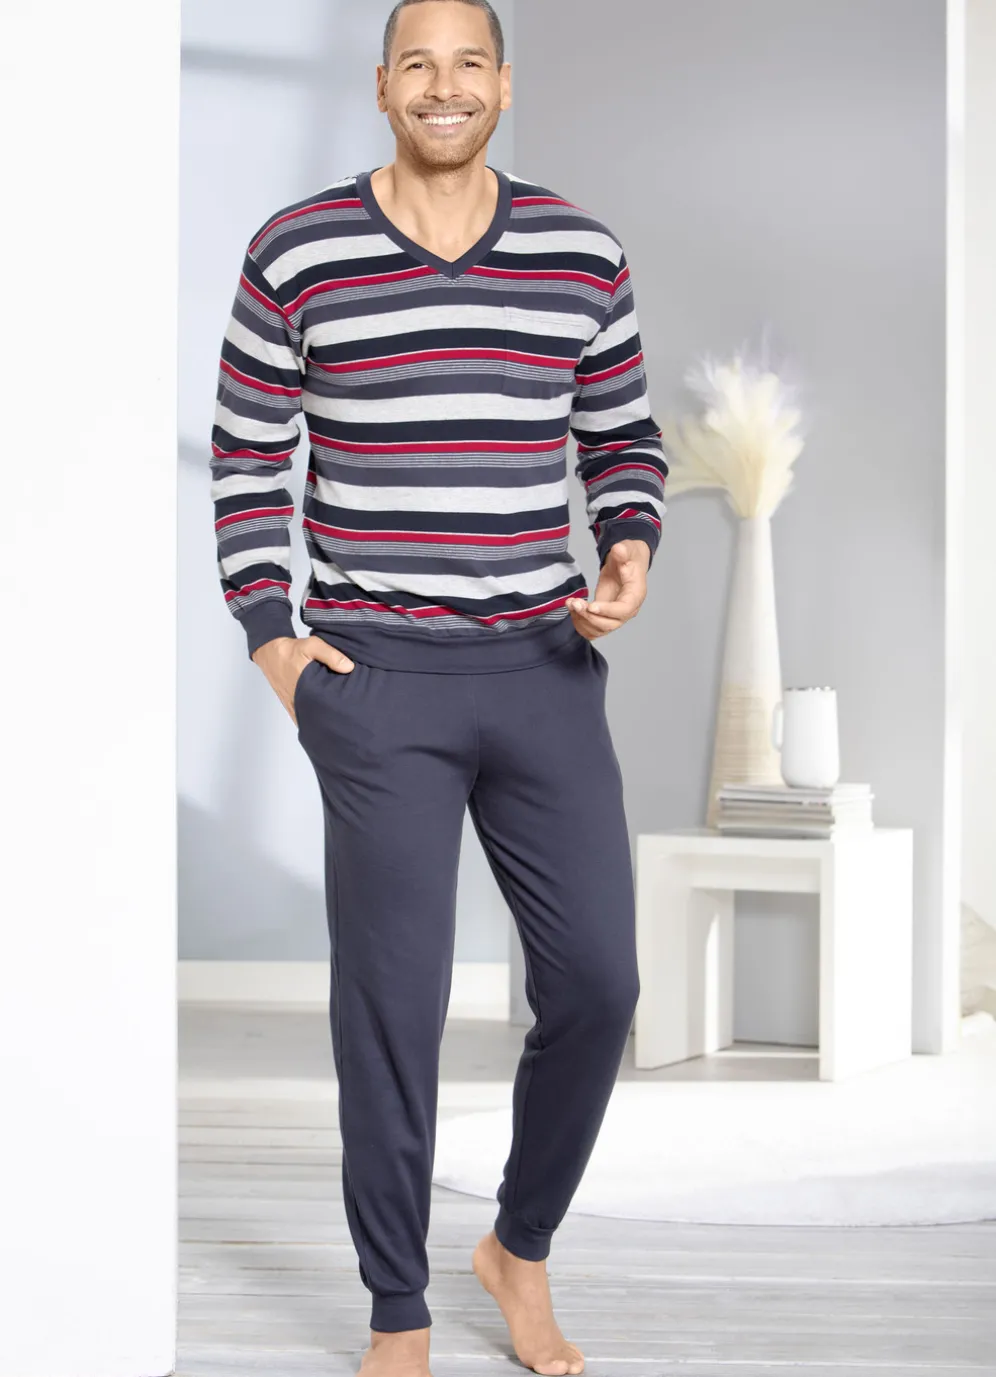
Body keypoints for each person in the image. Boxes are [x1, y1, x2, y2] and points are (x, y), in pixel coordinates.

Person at [208, 2, 668, 1373]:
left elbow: (623, 436)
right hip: (379, 684)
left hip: (543, 671)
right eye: (419, 63)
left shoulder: (581, 250)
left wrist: (628, 544)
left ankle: (516, 1248)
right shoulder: (298, 249)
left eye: (470, 63)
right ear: (381, 86)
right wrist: (276, 645)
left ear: (504, 86)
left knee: (598, 985)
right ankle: (397, 1311)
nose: (445, 86)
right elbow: (247, 456)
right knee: (392, 1011)